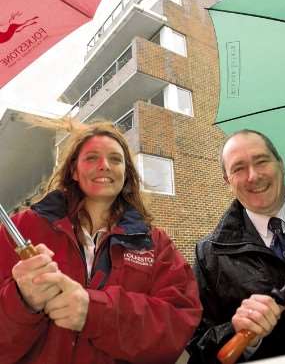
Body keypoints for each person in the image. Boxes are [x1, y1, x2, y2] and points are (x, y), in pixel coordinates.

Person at [0, 118, 202, 364]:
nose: (104, 165)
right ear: (74, 170)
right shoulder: (21, 228)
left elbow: (178, 327)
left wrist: (96, 313)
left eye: (115, 159)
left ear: (126, 174)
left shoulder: (155, 244)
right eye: (92, 157)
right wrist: (22, 300)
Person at [187, 129, 285, 363]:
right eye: (238, 168)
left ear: (281, 164)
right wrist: (239, 332)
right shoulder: (209, 255)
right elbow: (199, 345)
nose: (253, 176)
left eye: (261, 161)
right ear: (228, 182)